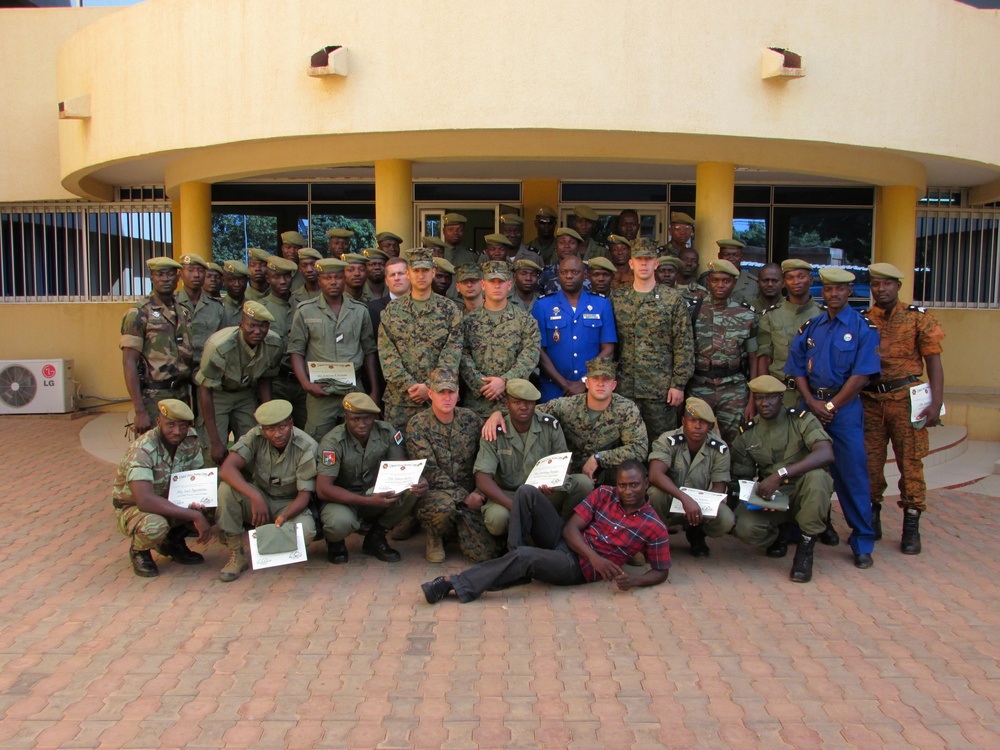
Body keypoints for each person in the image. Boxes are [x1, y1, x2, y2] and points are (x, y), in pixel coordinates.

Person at [420, 461, 670, 604]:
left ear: (646, 483)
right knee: (526, 492)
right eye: (623, 484)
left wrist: (635, 581)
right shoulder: (605, 493)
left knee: (527, 557)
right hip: (568, 544)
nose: (627, 491)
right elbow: (572, 528)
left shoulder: (653, 526)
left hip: (576, 569)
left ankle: (455, 583)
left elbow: (661, 571)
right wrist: (594, 555)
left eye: (634, 485)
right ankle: (515, 562)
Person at [787, 267, 880, 568]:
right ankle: (798, 531)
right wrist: (813, 402)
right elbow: (797, 366)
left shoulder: (864, 328)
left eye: (840, 290)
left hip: (844, 408)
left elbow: (862, 376)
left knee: (852, 475)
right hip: (811, 404)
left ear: (849, 292)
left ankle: (862, 541)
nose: (834, 294)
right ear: (822, 292)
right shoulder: (812, 326)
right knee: (800, 470)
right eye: (828, 289)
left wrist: (831, 406)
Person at [862, 262, 945, 555]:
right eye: (875, 284)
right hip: (870, 401)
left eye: (886, 284)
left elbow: (934, 362)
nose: (880, 289)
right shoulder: (862, 320)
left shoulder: (918, 320)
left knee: (910, 463)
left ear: (898, 286)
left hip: (905, 400)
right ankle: (871, 519)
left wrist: (936, 403)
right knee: (870, 464)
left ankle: (911, 524)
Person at [730, 375, 835, 583]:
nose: (764, 403)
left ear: (781, 398)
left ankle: (805, 549)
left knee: (818, 478)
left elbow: (826, 454)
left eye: (770, 398)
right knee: (743, 526)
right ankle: (779, 535)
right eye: (759, 398)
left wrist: (781, 474)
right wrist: (756, 500)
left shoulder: (801, 420)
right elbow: (742, 478)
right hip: (774, 498)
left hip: (803, 492)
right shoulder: (748, 433)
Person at [485, 358, 648, 487]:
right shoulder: (567, 406)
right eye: (595, 378)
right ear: (587, 382)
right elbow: (529, 411)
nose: (600, 383)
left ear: (614, 385)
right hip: (570, 479)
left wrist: (599, 458)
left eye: (606, 379)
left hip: (610, 481)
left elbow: (639, 448)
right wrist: (499, 413)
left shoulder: (626, 409)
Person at [315, 393, 427, 564]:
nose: (362, 424)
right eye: (355, 419)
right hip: (342, 499)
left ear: (375, 416)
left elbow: (400, 467)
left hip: (374, 492)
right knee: (339, 523)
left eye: (367, 418)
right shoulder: (332, 442)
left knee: (411, 490)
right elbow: (323, 489)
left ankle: (376, 536)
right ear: (346, 418)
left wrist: (417, 480)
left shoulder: (387, 431)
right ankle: (335, 541)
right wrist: (368, 501)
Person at [215, 399, 319, 582]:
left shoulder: (306, 446)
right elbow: (227, 469)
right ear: (263, 429)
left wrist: (285, 516)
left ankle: (265, 543)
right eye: (270, 429)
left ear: (291, 424)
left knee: (306, 531)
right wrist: (255, 497)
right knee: (226, 490)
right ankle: (237, 554)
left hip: (290, 503)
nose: (276, 434)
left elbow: (304, 495)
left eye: (282, 427)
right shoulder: (255, 437)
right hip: (260, 497)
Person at [473, 379, 594, 535]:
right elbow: (482, 478)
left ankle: (561, 529)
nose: (524, 407)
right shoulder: (493, 430)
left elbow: (564, 463)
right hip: (508, 494)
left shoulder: (549, 425)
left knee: (583, 483)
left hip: (543, 492)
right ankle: (517, 538)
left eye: (529, 403)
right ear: (507, 404)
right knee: (497, 520)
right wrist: (515, 505)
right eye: (517, 402)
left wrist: (553, 481)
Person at [111, 399, 213, 577]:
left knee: (212, 503)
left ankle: (173, 542)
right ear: (159, 423)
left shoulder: (190, 440)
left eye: (182, 426)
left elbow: (195, 477)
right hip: (134, 508)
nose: (177, 431)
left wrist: (199, 502)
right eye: (170, 425)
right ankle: (139, 551)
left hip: (170, 500)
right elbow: (144, 500)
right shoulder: (142, 450)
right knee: (155, 526)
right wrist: (193, 515)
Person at [405, 368, 497, 563]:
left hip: (472, 492)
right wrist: (464, 497)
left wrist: (480, 491)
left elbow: (486, 456)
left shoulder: (471, 419)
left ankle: (457, 530)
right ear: (430, 394)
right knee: (444, 508)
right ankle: (435, 535)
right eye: (440, 392)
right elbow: (430, 472)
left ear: (458, 394)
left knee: (487, 554)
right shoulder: (418, 425)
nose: (446, 398)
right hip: (437, 494)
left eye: (451, 392)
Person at [611, 238, 694, 441]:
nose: (644, 264)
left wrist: (679, 384)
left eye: (648, 259)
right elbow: (610, 344)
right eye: (639, 259)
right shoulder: (617, 298)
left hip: (661, 390)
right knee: (626, 442)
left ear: (656, 263)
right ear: (631, 263)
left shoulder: (672, 299)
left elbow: (684, 344)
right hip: (625, 388)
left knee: (662, 443)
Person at [288, 257, 379, 441]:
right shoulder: (306, 310)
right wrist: (306, 384)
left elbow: (369, 350)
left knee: (360, 438)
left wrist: (374, 389)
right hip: (321, 391)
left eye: (337, 277)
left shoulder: (360, 311)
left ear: (344, 279)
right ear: (320, 280)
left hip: (353, 387)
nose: (333, 282)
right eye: (327, 278)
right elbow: (296, 350)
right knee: (317, 440)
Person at [378, 248, 463, 429]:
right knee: (398, 453)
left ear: (433, 272)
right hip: (400, 401)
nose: (421, 275)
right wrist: (410, 385)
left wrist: (429, 388)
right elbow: (387, 355)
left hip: (439, 400)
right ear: (408, 274)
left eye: (425, 270)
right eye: (416, 271)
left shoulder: (449, 310)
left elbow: (452, 354)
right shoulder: (392, 311)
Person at [195, 301, 284, 466]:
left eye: (263, 326)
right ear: (241, 325)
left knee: (252, 443)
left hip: (245, 393)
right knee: (215, 454)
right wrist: (215, 442)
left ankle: (246, 486)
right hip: (217, 395)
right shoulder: (219, 347)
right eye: (252, 326)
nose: (257, 331)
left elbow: (265, 377)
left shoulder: (274, 343)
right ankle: (217, 488)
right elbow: (205, 391)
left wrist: (268, 415)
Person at [647, 398, 734, 557]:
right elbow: (654, 475)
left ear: (710, 426)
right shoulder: (668, 440)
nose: (698, 426)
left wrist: (704, 506)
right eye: (692, 420)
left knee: (726, 517)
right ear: (683, 420)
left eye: (704, 422)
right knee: (654, 494)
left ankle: (697, 533)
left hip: (699, 505)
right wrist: (685, 499)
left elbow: (719, 485)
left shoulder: (720, 448)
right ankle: (657, 536)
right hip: (672, 499)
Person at [687, 259, 757, 446]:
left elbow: (753, 359)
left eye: (726, 281)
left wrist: (753, 398)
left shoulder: (746, 315)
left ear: (734, 283)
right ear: (708, 281)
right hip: (700, 385)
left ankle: (732, 476)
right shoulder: (693, 311)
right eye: (715, 280)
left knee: (737, 441)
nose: (720, 285)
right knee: (696, 438)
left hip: (733, 387)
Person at [120, 257, 194, 435]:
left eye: (170, 275)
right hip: (154, 397)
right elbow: (129, 362)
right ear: (151, 278)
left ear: (178, 279)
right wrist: (139, 410)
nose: (165, 279)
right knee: (154, 453)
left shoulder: (183, 311)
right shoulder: (138, 313)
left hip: (182, 393)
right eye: (160, 274)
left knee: (181, 451)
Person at [460, 262, 540, 417]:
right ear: (483, 285)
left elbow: (531, 355)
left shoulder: (525, 321)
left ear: (509, 285)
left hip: (513, 404)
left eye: (501, 282)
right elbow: (462, 356)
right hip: (477, 406)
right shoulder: (468, 321)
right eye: (492, 281)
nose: (496, 286)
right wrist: (483, 386)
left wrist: (504, 382)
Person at [532, 255, 616, 402]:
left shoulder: (601, 304)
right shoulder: (543, 306)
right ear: (558, 275)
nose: (569, 276)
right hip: (553, 389)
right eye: (564, 272)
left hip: (591, 389)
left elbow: (608, 349)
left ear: (585, 275)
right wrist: (564, 384)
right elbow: (538, 351)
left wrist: (585, 381)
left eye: (575, 272)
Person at [755, 259, 822, 408]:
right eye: (791, 278)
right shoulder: (771, 316)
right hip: (781, 393)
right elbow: (765, 358)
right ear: (784, 282)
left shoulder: (822, 316)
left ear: (810, 280)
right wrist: (764, 394)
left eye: (801, 276)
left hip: (814, 394)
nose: (796, 282)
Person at [261, 255, 308, 429]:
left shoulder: (304, 306)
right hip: (277, 381)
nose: (282, 281)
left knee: (307, 432)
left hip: (303, 381)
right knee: (278, 430)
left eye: (286, 276)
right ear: (268, 278)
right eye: (276, 276)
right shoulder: (261, 308)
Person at [175, 252, 224, 379]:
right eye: (190, 270)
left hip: (206, 372)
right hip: (176, 373)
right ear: (180, 274)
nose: (196, 275)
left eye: (200, 271)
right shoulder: (171, 304)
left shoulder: (217, 307)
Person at [537, 227, 588, 295]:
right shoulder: (545, 273)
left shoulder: (589, 271)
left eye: (572, 242)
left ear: (578, 247)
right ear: (556, 246)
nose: (566, 246)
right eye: (562, 242)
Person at [710, 239, 758, 306]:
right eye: (726, 254)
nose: (731, 258)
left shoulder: (753, 282)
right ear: (719, 256)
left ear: (741, 257)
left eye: (736, 255)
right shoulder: (708, 278)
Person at [219, 260, 251, 328]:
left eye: (241, 280)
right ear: (223, 281)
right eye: (231, 280)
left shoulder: (252, 308)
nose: (237, 284)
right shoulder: (216, 307)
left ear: (247, 281)